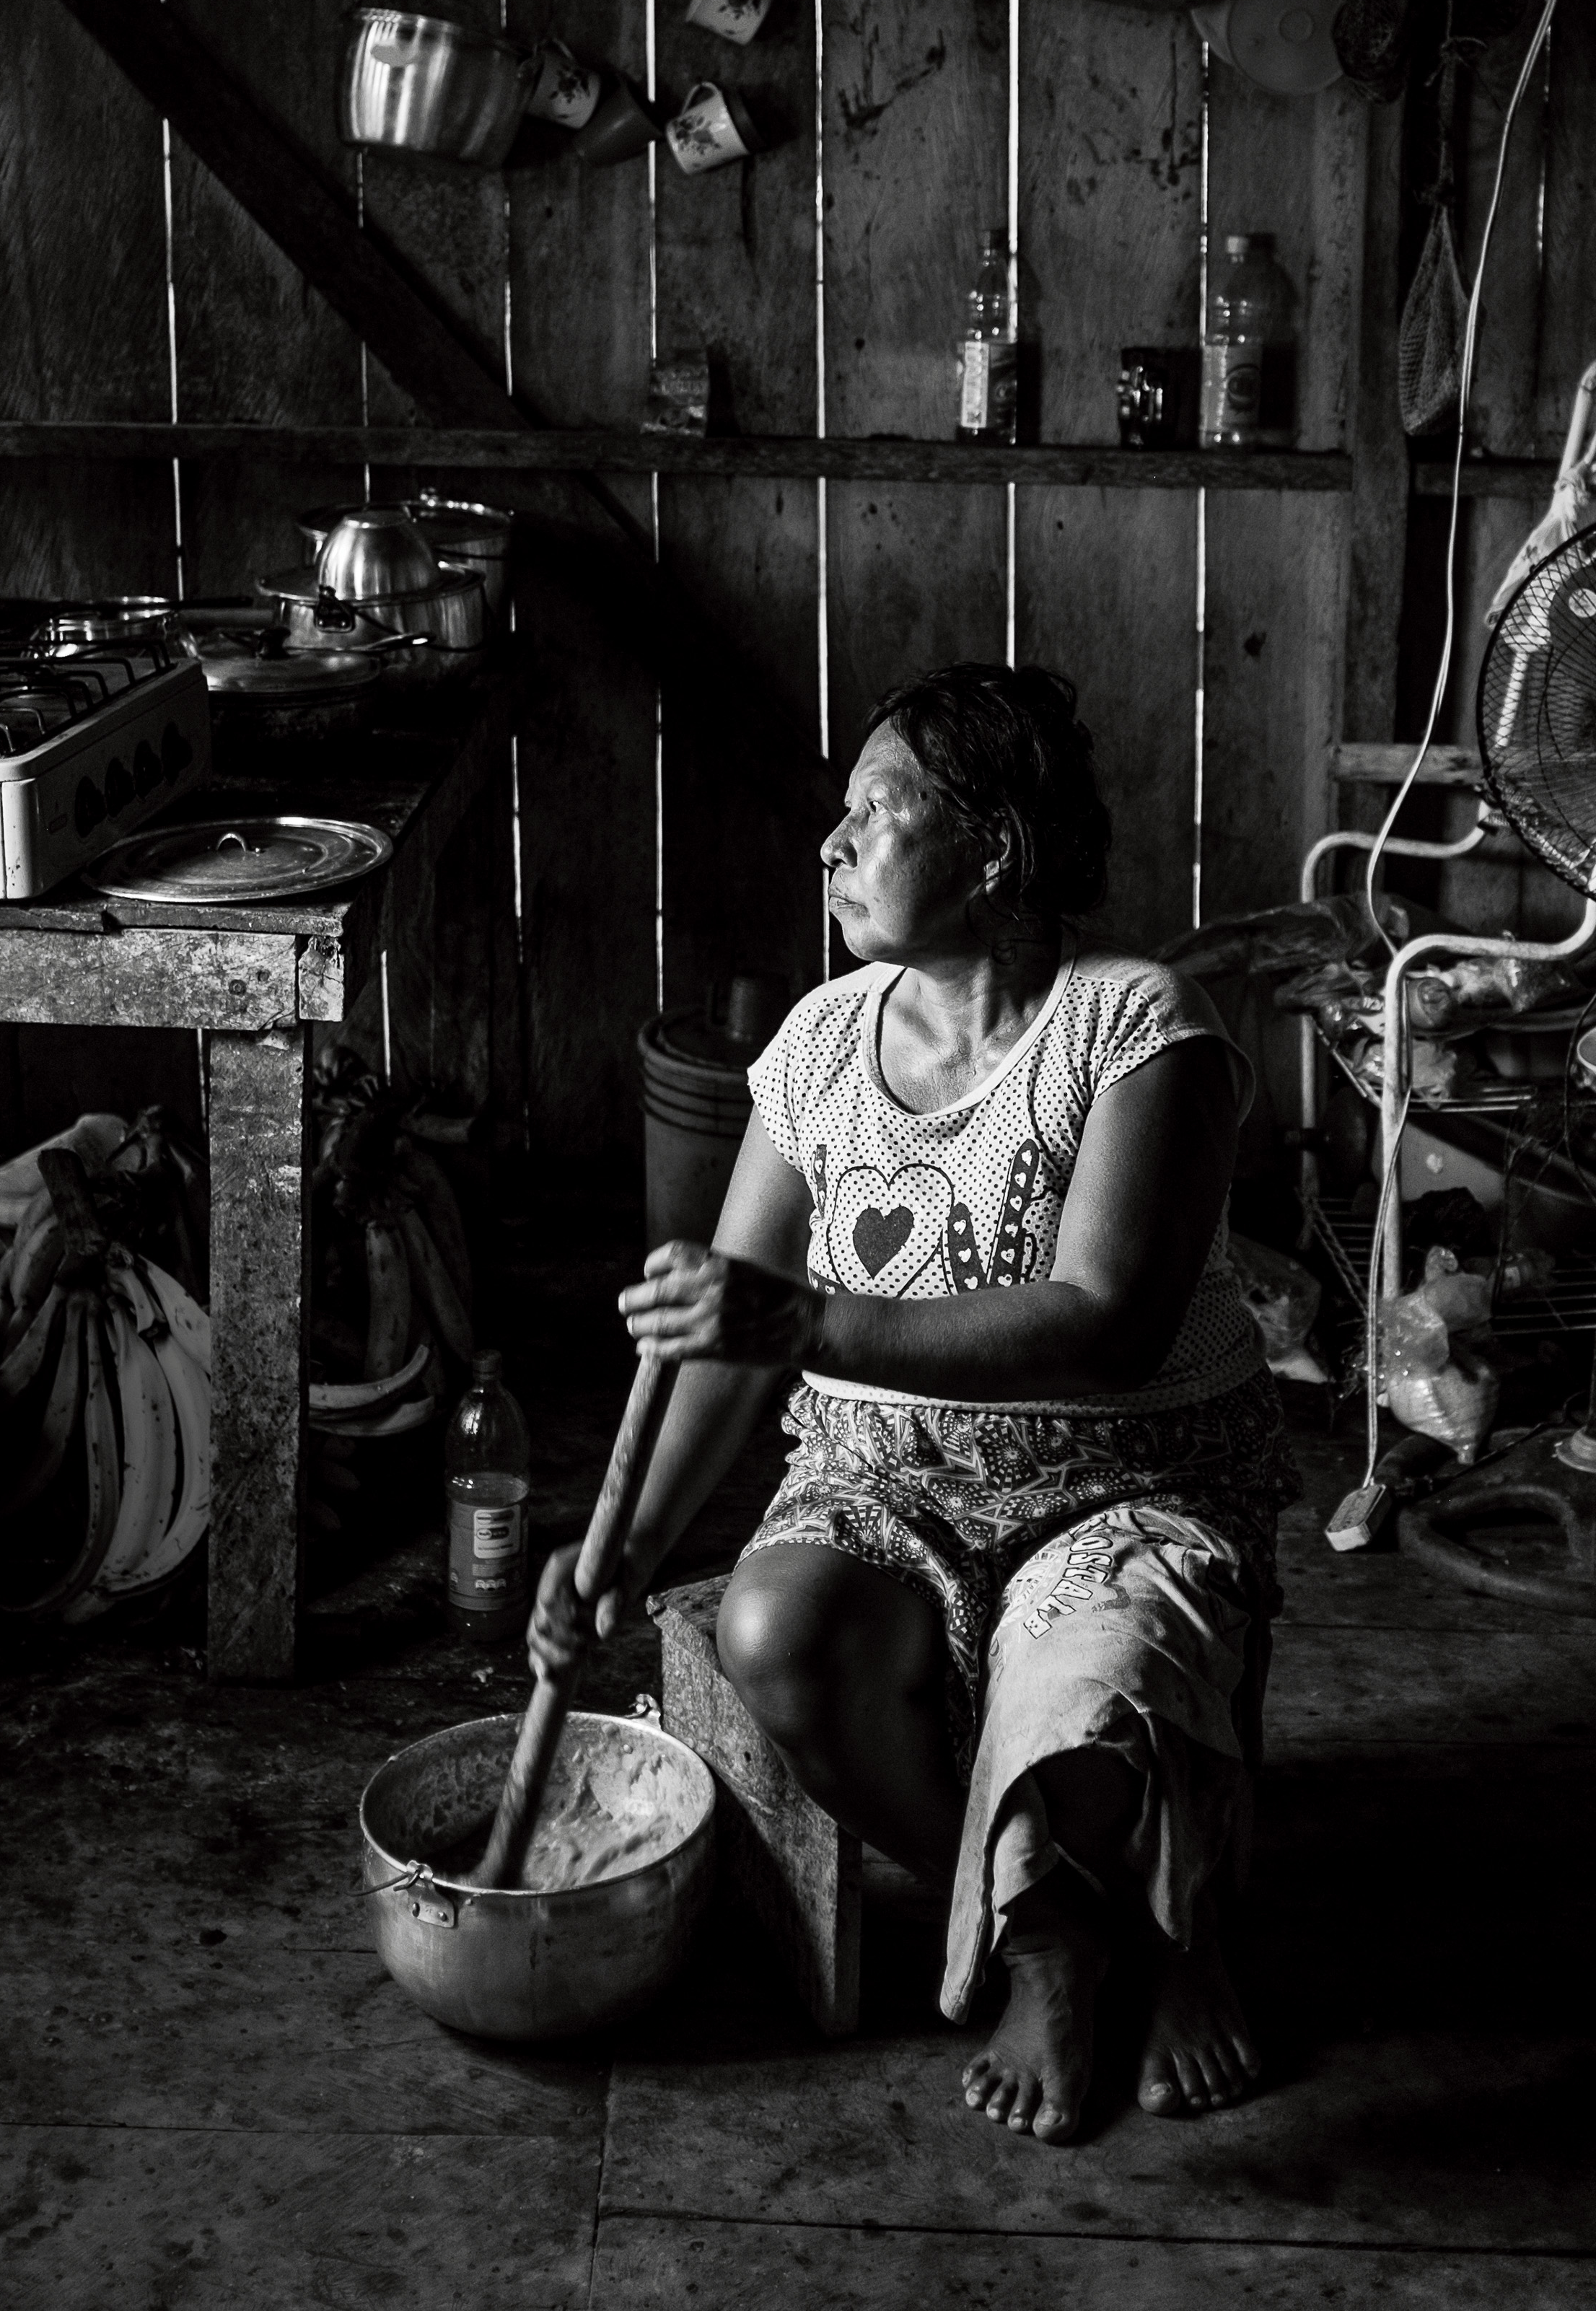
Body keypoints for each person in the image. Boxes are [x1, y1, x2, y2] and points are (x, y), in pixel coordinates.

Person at [530, 661, 1296, 2145]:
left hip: (1127, 1478)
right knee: (775, 1627)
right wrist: (611, 1554)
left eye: (869, 817)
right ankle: (1056, 1936)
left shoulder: (1137, 1028)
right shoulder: (817, 1046)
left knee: (1089, 1686)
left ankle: (1160, 1926)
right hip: (885, 1478)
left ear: (991, 847)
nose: (831, 849)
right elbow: (731, 1348)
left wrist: (810, 1315)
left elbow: (1106, 1327)